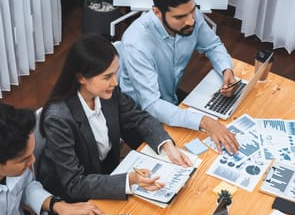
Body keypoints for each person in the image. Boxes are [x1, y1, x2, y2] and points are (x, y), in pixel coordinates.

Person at [38, 34, 191, 203]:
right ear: (81, 78)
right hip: (73, 196)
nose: (115, 83)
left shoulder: (108, 94)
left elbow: (137, 118)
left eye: (115, 74)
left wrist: (167, 145)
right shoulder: (58, 119)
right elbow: (74, 183)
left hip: (106, 175)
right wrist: (130, 180)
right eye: (107, 77)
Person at [118, 0, 240, 154]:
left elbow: (213, 46)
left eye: (192, 10)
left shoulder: (191, 15)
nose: (190, 21)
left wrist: (227, 70)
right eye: (180, 17)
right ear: (157, 12)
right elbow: (152, 104)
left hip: (171, 99)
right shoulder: (137, 44)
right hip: (140, 117)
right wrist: (205, 122)